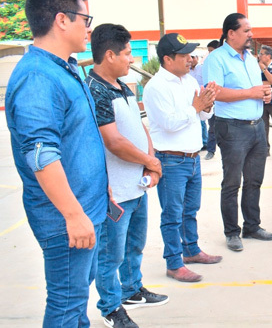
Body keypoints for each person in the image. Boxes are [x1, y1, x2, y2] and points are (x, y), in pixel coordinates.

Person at [5, 0, 108, 327]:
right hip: (66, 219)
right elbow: (41, 154)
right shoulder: (38, 77)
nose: (89, 28)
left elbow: (77, 140)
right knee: (66, 305)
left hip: (83, 208)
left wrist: (100, 186)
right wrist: (73, 214)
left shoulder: (64, 67)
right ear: (62, 20)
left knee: (76, 301)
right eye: (85, 18)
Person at [87, 23, 168, 327]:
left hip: (136, 184)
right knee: (110, 254)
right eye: (126, 54)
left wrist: (150, 163)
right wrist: (151, 160)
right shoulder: (94, 91)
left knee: (134, 245)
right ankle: (110, 306)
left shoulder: (122, 85)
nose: (131, 60)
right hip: (115, 192)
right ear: (109, 55)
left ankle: (132, 289)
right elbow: (114, 142)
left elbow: (138, 125)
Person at [142, 33, 222, 283]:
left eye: (190, 54)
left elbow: (200, 117)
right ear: (168, 59)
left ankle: (191, 250)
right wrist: (197, 107)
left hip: (192, 157)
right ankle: (174, 263)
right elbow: (168, 124)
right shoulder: (156, 87)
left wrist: (207, 106)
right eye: (184, 55)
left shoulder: (188, 82)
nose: (190, 59)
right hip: (171, 160)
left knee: (190, 210)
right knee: (172, 214)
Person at [203, 12, 272, 252]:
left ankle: (252, 226)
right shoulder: (216, 59)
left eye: (250, 29)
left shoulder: (249, 58)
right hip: (232, 128)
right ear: (231, 33)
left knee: (254, 180)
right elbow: (214, 93)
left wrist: (263, 93)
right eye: (246, 30)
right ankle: (232, 232)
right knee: (232, 183)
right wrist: (251, 93)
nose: (251, 34)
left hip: (257, 126)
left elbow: (254, 88)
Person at [204, 40, 221, 160]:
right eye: (209, 51)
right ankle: (211, 150)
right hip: (212, 101)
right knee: (212, 128)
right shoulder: (206, 64)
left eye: (212, 51)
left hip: (224, 102)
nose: (210, 53)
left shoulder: (222, 63)